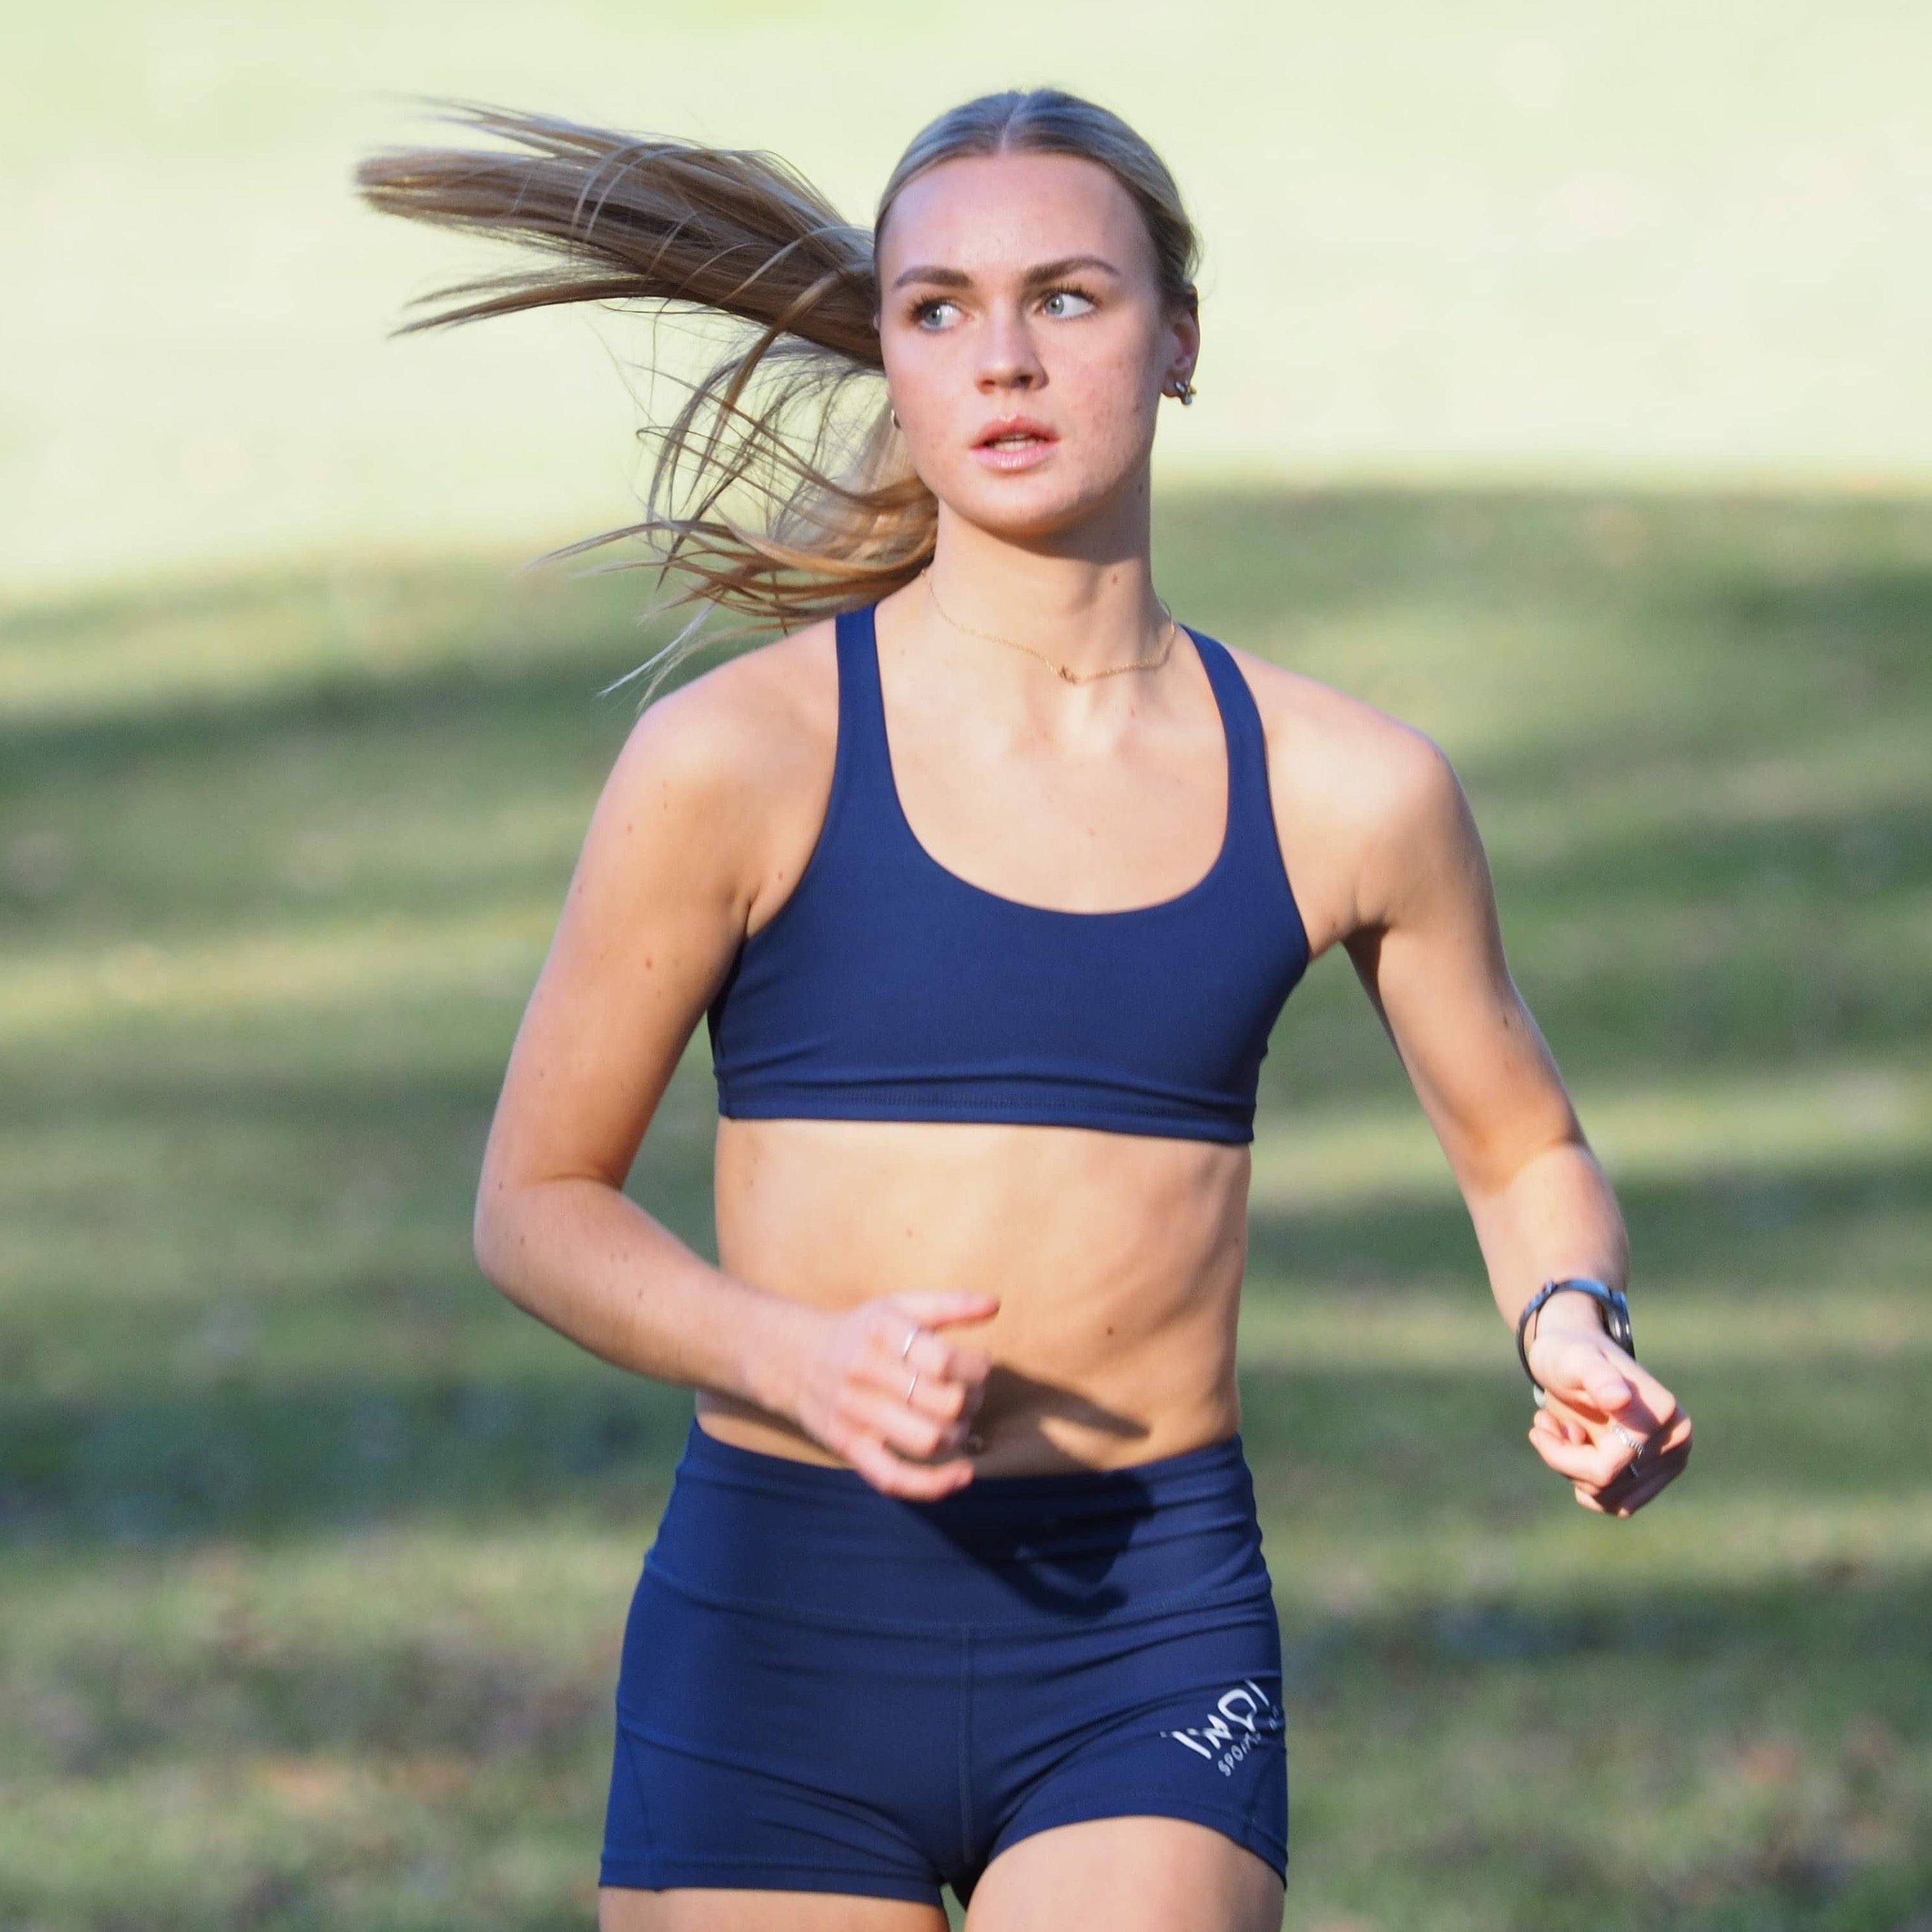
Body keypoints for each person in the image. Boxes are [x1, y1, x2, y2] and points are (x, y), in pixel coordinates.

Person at [357, 86, 1693, 1932]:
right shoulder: (742, 761)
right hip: (784, 1634)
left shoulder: (1345, 787)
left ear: (1182, 341)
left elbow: (1522, 1142)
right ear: (891, 358)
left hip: (1147, 1630)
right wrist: (788, 1355)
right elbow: (536, 1203)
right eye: (938, 310)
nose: (1002, 359)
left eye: (1067, 298)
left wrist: (1570, 1318)